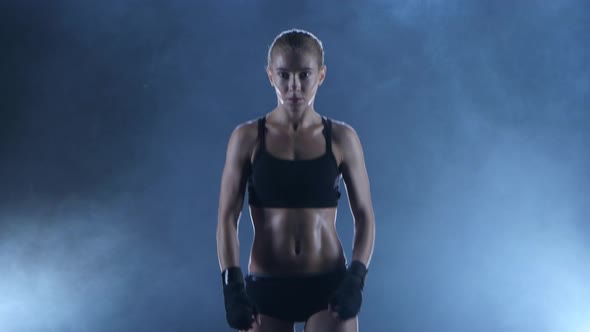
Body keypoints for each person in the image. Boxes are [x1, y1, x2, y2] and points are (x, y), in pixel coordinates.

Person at [216, 28, 375, 332]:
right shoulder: (247, 138)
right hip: (267, 286)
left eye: (304, 74)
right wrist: (232, 288)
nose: (294, 86)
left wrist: (356, 278)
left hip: (328, 287)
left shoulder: (342, 138)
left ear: (321, 75)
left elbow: (365, 215)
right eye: (284, 74)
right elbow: (226, 218)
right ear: (270, 76)